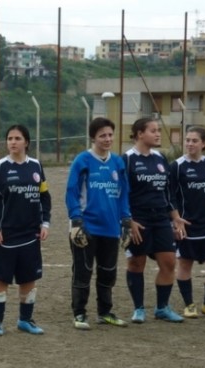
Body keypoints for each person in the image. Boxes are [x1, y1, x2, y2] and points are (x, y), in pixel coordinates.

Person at [0, 124, 51, 336]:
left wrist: (45, 223)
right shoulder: (0, 167)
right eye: (10, 138)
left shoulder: (36, 167)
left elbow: (44, 197)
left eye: (17, 138)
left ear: (26, 142)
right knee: (1, 278)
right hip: (6, 234)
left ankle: (25, 320)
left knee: (29, 278)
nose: (13, 142)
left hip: (31, 234)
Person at [65, 117, 131, 330]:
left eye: (110, 134)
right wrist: (76, 220)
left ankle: (105, 312)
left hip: (111, 228)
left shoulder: (118, 162)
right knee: (83, 271)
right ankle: (80, 313)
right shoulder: (83, 160)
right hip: (86, 227)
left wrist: (126, 220)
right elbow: (72, 192)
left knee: (108, 272)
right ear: (93, 137)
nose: (107, 139)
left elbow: (123, 195)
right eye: (102, 135)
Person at [123, 117, 185, 323]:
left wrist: (175, 218)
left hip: (160, 219)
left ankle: (162, 307)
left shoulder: (160, 159)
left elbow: (168, 194)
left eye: (158, 130)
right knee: (136, 263)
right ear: (140, 134)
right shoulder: (128, 159)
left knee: (168, 263)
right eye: (153, 130)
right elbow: (121, 194)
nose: (158, 134)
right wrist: (128, 221)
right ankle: (139, 309)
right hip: (138, 220)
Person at [170, 127, 205, 318]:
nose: (190, 144)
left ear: (203, 143)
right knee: (185, 265)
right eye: (187, 140)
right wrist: (175, 219)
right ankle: (189, 304)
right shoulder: (177, 166)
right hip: (186, 224)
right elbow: (170, 195)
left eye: (194, 140)